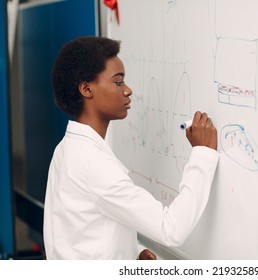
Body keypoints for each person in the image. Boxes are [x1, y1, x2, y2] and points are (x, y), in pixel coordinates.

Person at [43, 36, 219, 259]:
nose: (128, 90)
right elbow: (170, 229)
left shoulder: (67, 148)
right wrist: (203, 154)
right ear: (87, 89)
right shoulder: (93, 163)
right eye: (118, 82)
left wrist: (131, 250)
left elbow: (75, 230)